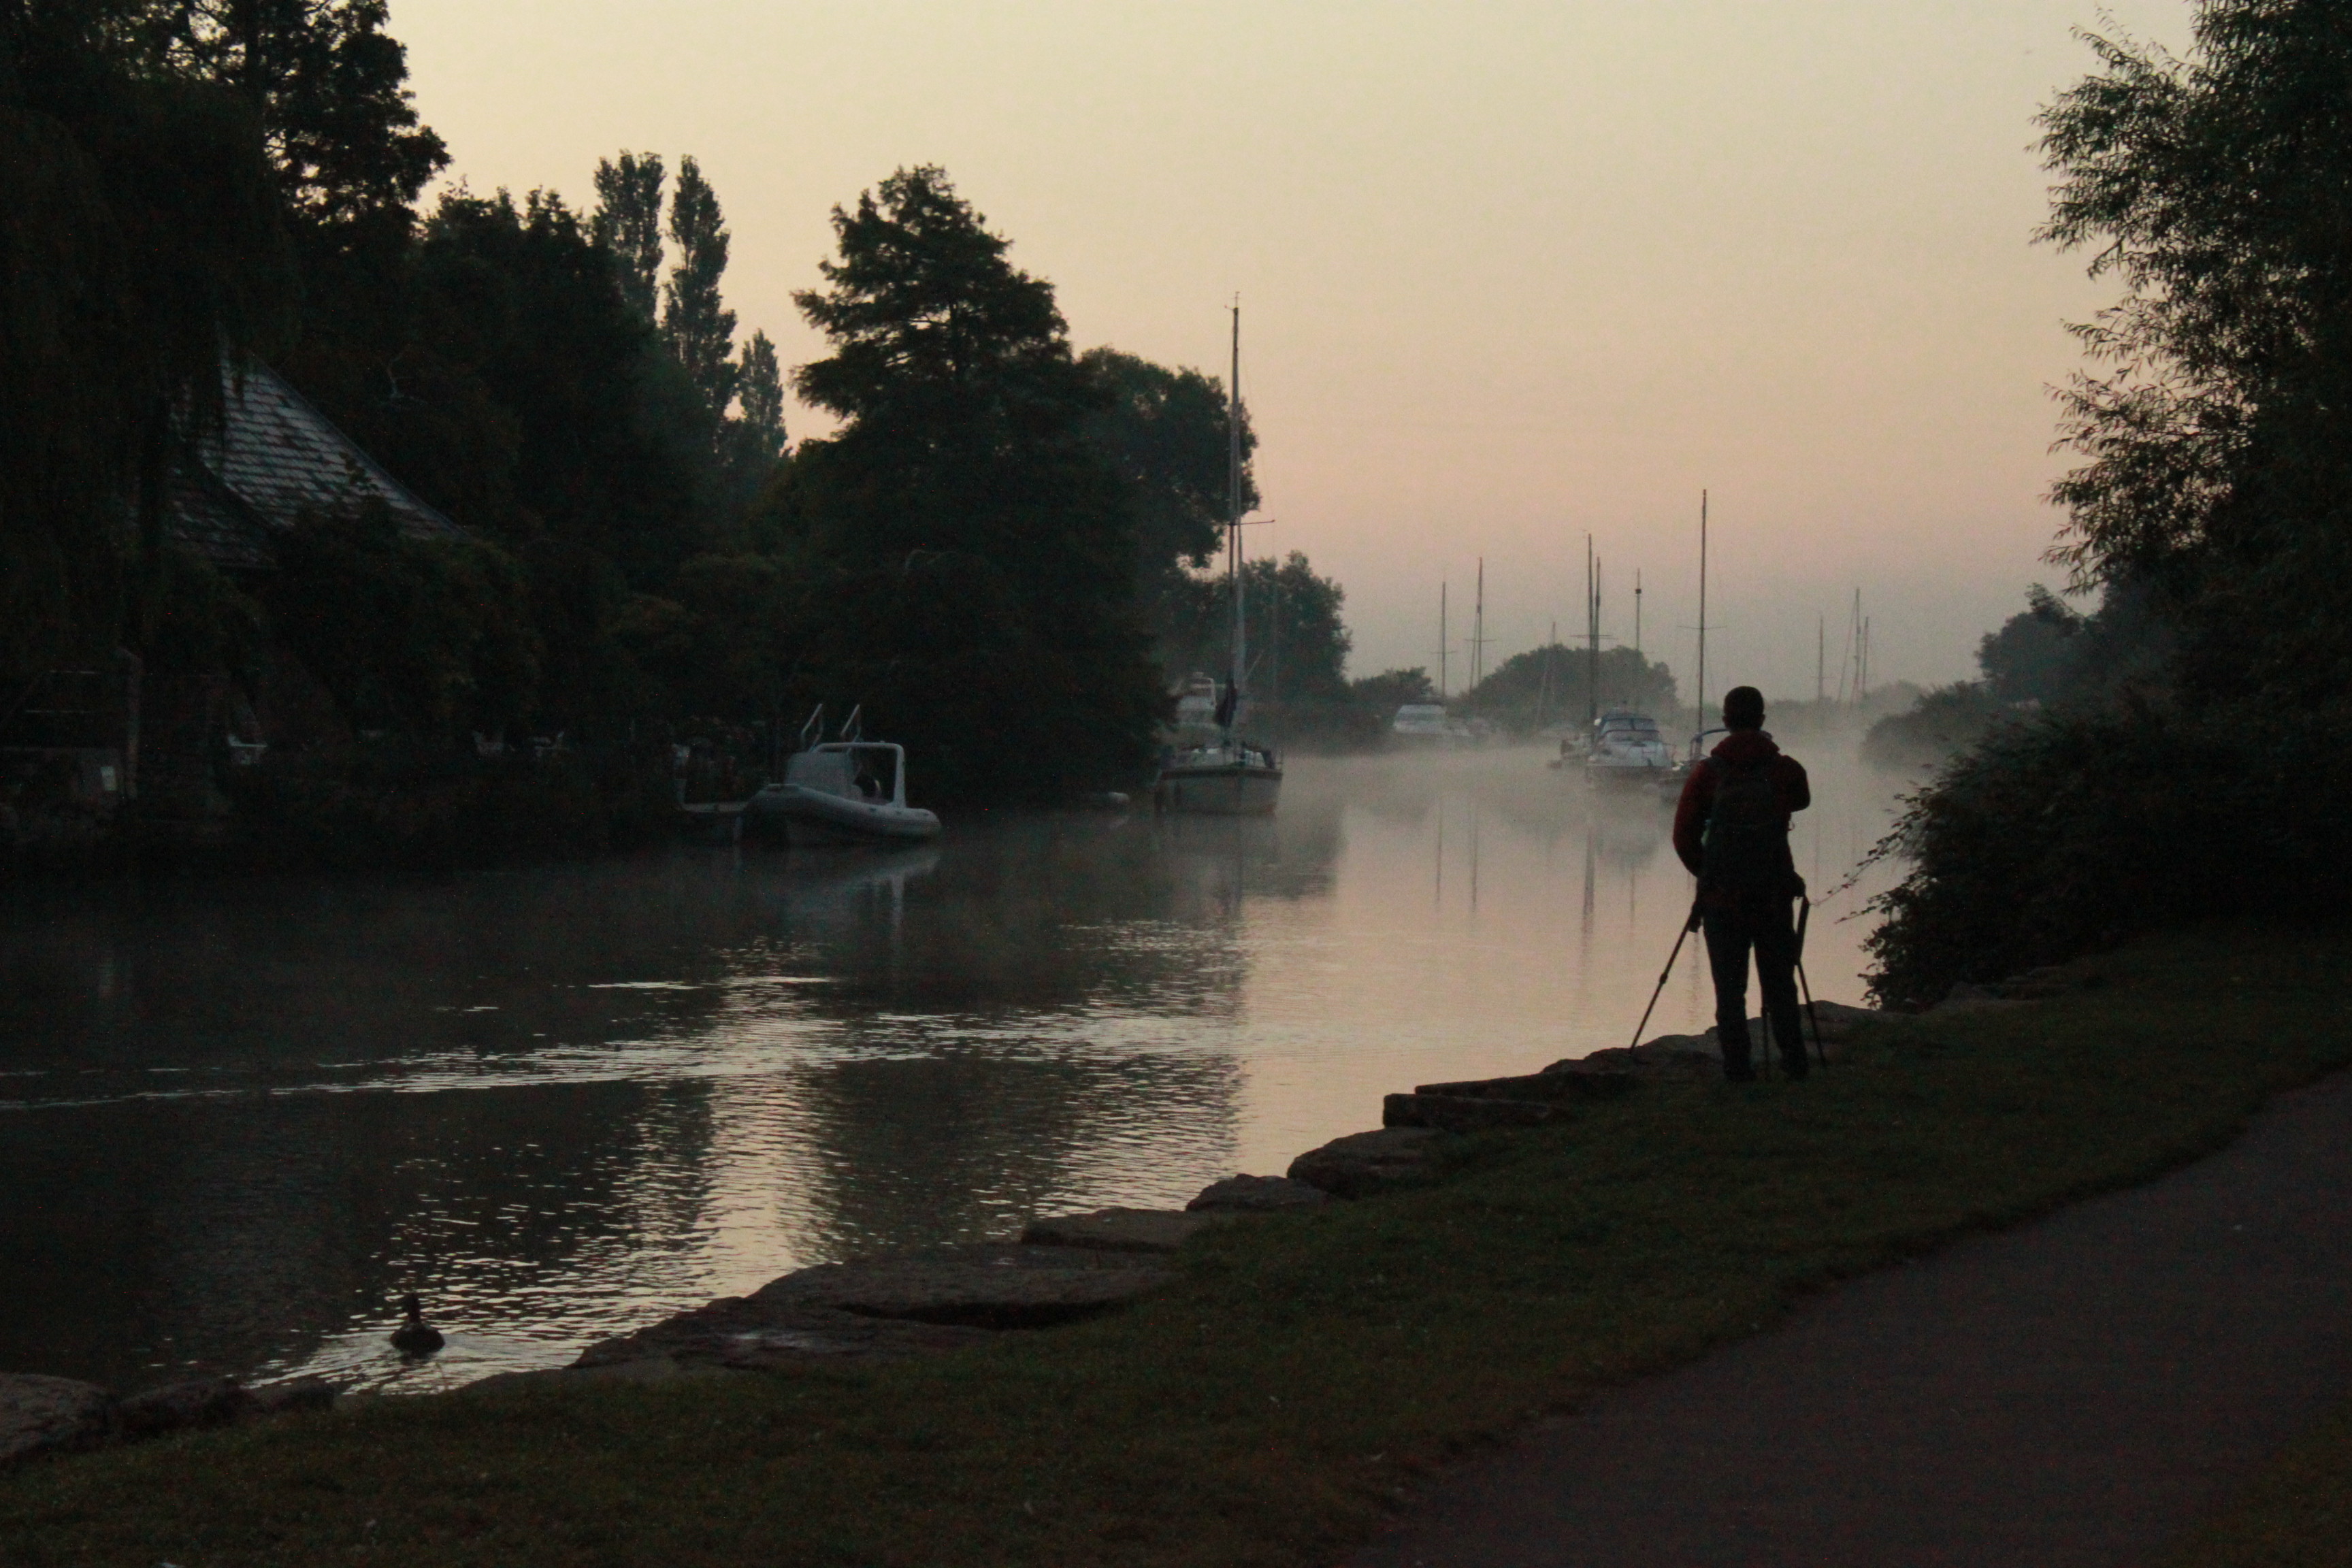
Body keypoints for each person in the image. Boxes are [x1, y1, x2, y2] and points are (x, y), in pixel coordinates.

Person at [1671, 685, 1812, 1081]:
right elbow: (1801, 801)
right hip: (1773, 894)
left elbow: (1683, 838)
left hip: (1723, 899)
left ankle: (1738, 1068)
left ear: (1726, 722)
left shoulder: (1706, 774)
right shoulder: (1786, 770)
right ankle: (1795, 1063)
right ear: (1763, 719)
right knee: (1780, 983)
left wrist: (1710, 875)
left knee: (1730, 990)